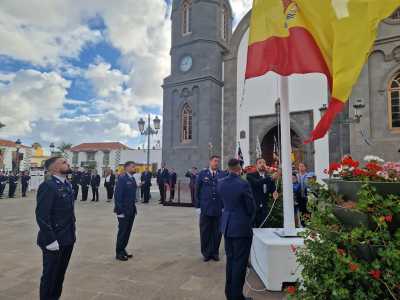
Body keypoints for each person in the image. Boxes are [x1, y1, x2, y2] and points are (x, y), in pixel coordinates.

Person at [35, 156, 75, 300]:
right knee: (50, 277)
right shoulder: (48, 185)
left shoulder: (67, 184)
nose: (67, 163)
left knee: (59, 276)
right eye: (63, 162)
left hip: (68, 237)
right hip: (54, 240)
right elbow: (42, 215)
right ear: (53, 168)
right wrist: (51, 240)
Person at [218, 158, 256, 300]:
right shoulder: (243, 184)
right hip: (241, 227)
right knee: (240, 263)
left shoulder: (221, 183)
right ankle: (236, 296)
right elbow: (250, 207)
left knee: (231, 261)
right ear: (239, 168)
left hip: (227, 226)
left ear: (228, 168)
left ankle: (229, 293)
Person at [195, 155, 227, 262]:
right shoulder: (202, 174)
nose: (216, 163)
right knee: (205, 231)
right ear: (210, 162)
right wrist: (198, 206)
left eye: (218, 161)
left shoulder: (222, 174)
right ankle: (206, 253)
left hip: (218, 208)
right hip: (205, 208)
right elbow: (197, 190)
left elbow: (224, 192)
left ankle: (215, 252)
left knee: (217, 232)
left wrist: (224, 206)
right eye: (215, 161)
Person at [114, 161, 137, 261]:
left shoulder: (132, 179)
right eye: (132, 166)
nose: (134, 168)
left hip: (131, 210)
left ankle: (123, 249)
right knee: (122, 232)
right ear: (126, 167)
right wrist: (119, 212)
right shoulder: (122, 179)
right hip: (123, 211)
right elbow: (118, 196)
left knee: (127, 232)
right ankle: (118, 253)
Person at [246, 158, 278, 228]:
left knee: (264, 227)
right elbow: (257, 183)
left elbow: (272, 188)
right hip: (254, 207)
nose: (262, 164)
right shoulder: (250, 176)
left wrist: (274, 192)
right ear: (256, 165)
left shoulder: (268, 176)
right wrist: (270, 178)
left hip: (264, 208)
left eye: (264, 163)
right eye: (260, 163)